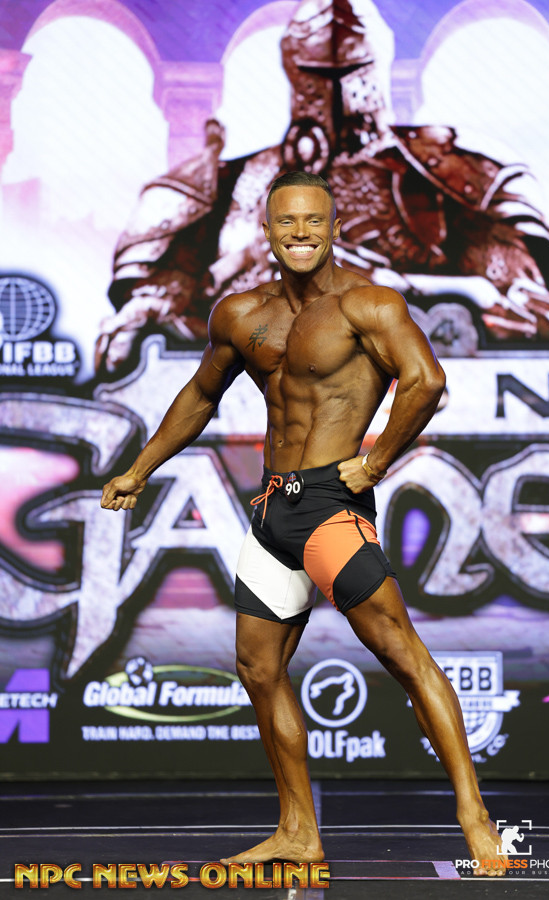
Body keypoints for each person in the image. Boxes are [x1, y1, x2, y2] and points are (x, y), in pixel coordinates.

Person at [101, 171, 505, 876]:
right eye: (286, 221)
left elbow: (427, 381)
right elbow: (200, 395)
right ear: (266, 230)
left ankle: (476, 819)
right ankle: (297, 831)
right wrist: (139, 469)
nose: (300, 233)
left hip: (330, 505)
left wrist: (375, 463)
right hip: (272, 510)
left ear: (335, 227)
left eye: (313, 220)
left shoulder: (367, 304)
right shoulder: (242, 314)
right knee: (258, 667)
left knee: (403, 656)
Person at [95, 0, 549, 373]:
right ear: (294, 69)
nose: (334, 92)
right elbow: (159, 306)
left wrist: (393, 285)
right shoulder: (227, 185)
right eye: (317, 75)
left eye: (348, 74)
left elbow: (528, 307)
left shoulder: (451, 179)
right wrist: (150, 309)